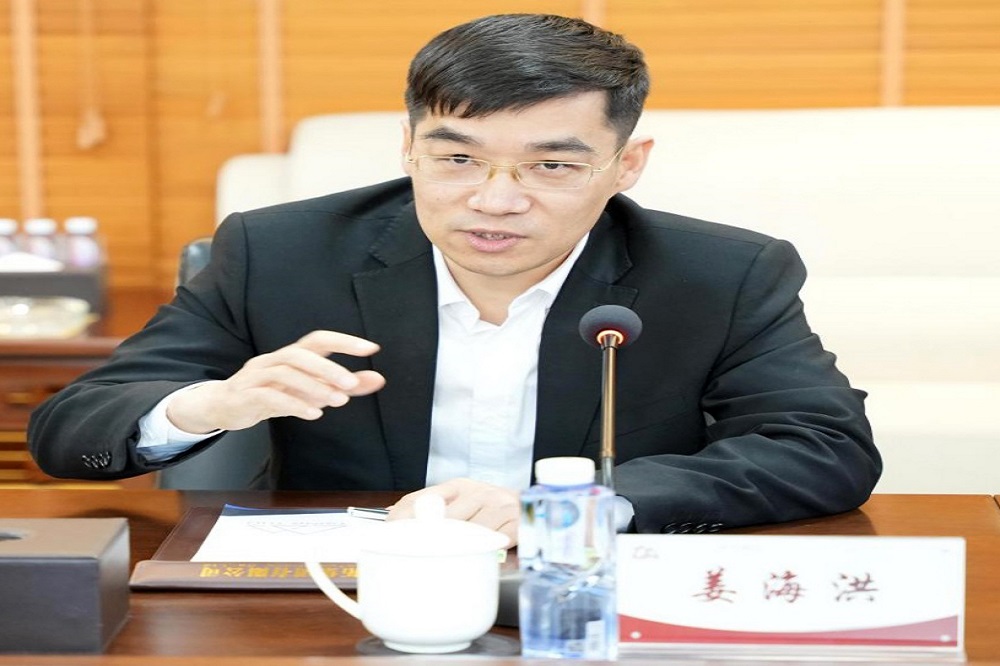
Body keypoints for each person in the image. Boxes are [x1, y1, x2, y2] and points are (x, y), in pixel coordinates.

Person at [28, 13, 880, 545]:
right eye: (457, 159)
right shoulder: (280, 252)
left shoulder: (720, 274)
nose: (495, 200)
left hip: (587, 590)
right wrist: (206, 405)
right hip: (345, 596)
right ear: (408, 149)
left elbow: (824, 449)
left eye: (551, 165)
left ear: (626, 166)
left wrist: (577, 508)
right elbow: (71, 436)